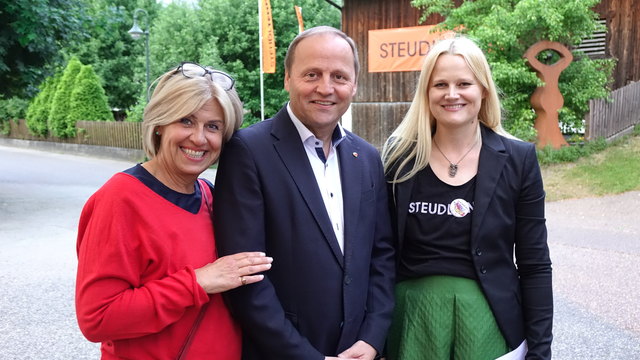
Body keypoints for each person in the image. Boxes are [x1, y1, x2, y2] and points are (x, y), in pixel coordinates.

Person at [213, 26, 396, 360]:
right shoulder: (247, 151)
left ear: (354, 84)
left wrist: (372, 338)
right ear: (287, 79)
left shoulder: (367, 157)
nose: (325, 88)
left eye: (339, 76)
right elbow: (246, 276)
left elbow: (381, 256)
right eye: (312, 74)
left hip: (358, 350)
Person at [75, 62, 273, 360]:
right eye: (186, 121)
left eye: (213, 126)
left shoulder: (209, 195)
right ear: (159, 125)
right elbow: (97, 318)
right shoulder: (120, 199)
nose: (199, 138)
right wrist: (197, 282)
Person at [382, 36, 553, 360]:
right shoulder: (400, 159)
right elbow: (379, 254)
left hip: (487, 325)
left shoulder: (518, 160)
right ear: (426, 92)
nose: (452, 94)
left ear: (483, 89)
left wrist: (540, 351)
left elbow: (535, 265)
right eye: (440, 84)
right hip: (412, 325)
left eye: (464, 83)